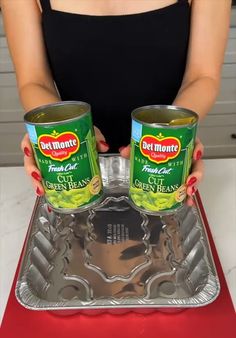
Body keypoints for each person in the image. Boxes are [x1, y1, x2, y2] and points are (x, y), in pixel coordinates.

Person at [1, 0, 231, 206]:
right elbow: (34, 81)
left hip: (163, 169)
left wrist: (178, 133)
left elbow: (203, 76)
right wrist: (53, 129)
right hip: (73, 166)